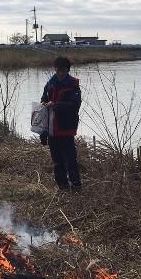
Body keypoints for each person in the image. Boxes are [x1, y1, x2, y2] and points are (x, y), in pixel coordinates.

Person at [40, 56, 82, 191]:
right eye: (57, 70)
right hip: (52, 129)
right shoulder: (49, 84)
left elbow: (74, 105)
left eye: (63, 70)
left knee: (70, 160)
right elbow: (43, 102)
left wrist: (56, 105)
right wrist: (43, 131)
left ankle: (76, 186)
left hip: (66, 129)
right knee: (57, 160)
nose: (60, 74)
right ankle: (62, 186)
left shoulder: (74, 85)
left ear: (68, 70)